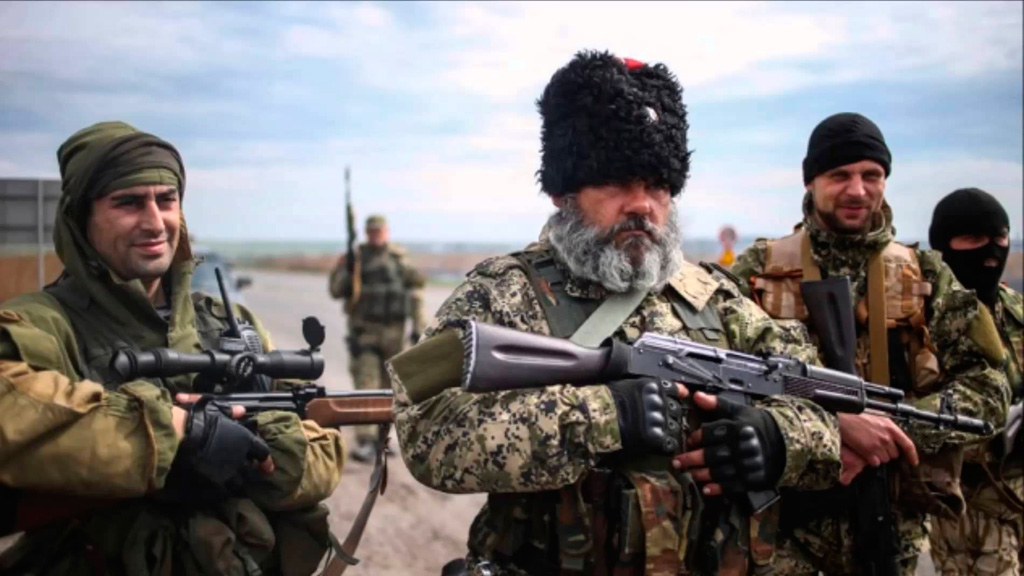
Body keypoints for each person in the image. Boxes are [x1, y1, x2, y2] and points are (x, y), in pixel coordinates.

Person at [388, 51, 843, 576]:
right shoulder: (502, 293)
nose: (641, 205)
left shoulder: (715, 299)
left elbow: (826, 409)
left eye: (656, 186)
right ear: (563, 193)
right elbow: (425, 432)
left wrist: (776, 440)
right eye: (617, 183)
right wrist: (604, 417)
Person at [0, 121, 346, 575]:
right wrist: (178, 437)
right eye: (127, 202)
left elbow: (322, 457)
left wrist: (257, 453)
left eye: (166, 200)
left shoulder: (232, 323)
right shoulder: (39, 325)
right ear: (80, 218)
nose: (154, 222)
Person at [730, 113, 1011, 575]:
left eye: (871, 175)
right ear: (810, 181)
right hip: (780, 529)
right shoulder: (758, 271)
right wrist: (830, 431)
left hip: (892, 523)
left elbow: (990, 390)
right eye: (839, 175)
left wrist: (889, 432)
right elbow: (723, 383)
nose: (857, 190)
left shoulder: (926, 273)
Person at [927, 188, 1023, 575]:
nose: (991, 251)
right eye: (974, 239)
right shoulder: (926, 318)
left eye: (1000, 237)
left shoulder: (1014, 308)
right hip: (968, 505)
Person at [329, 214, 426, 462]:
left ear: (386, 232)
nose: (375, 235)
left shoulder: (398, 259)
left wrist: (419, 327)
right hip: (366, 334)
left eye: (379, 231)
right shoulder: (356, 259)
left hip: (394, 335)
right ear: (366, 233)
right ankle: (365, 440)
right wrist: (346, 270)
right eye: (371, 231)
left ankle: (382, 438)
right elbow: (337, 291)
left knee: (391, 389)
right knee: (366, 385)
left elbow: (416, 290)